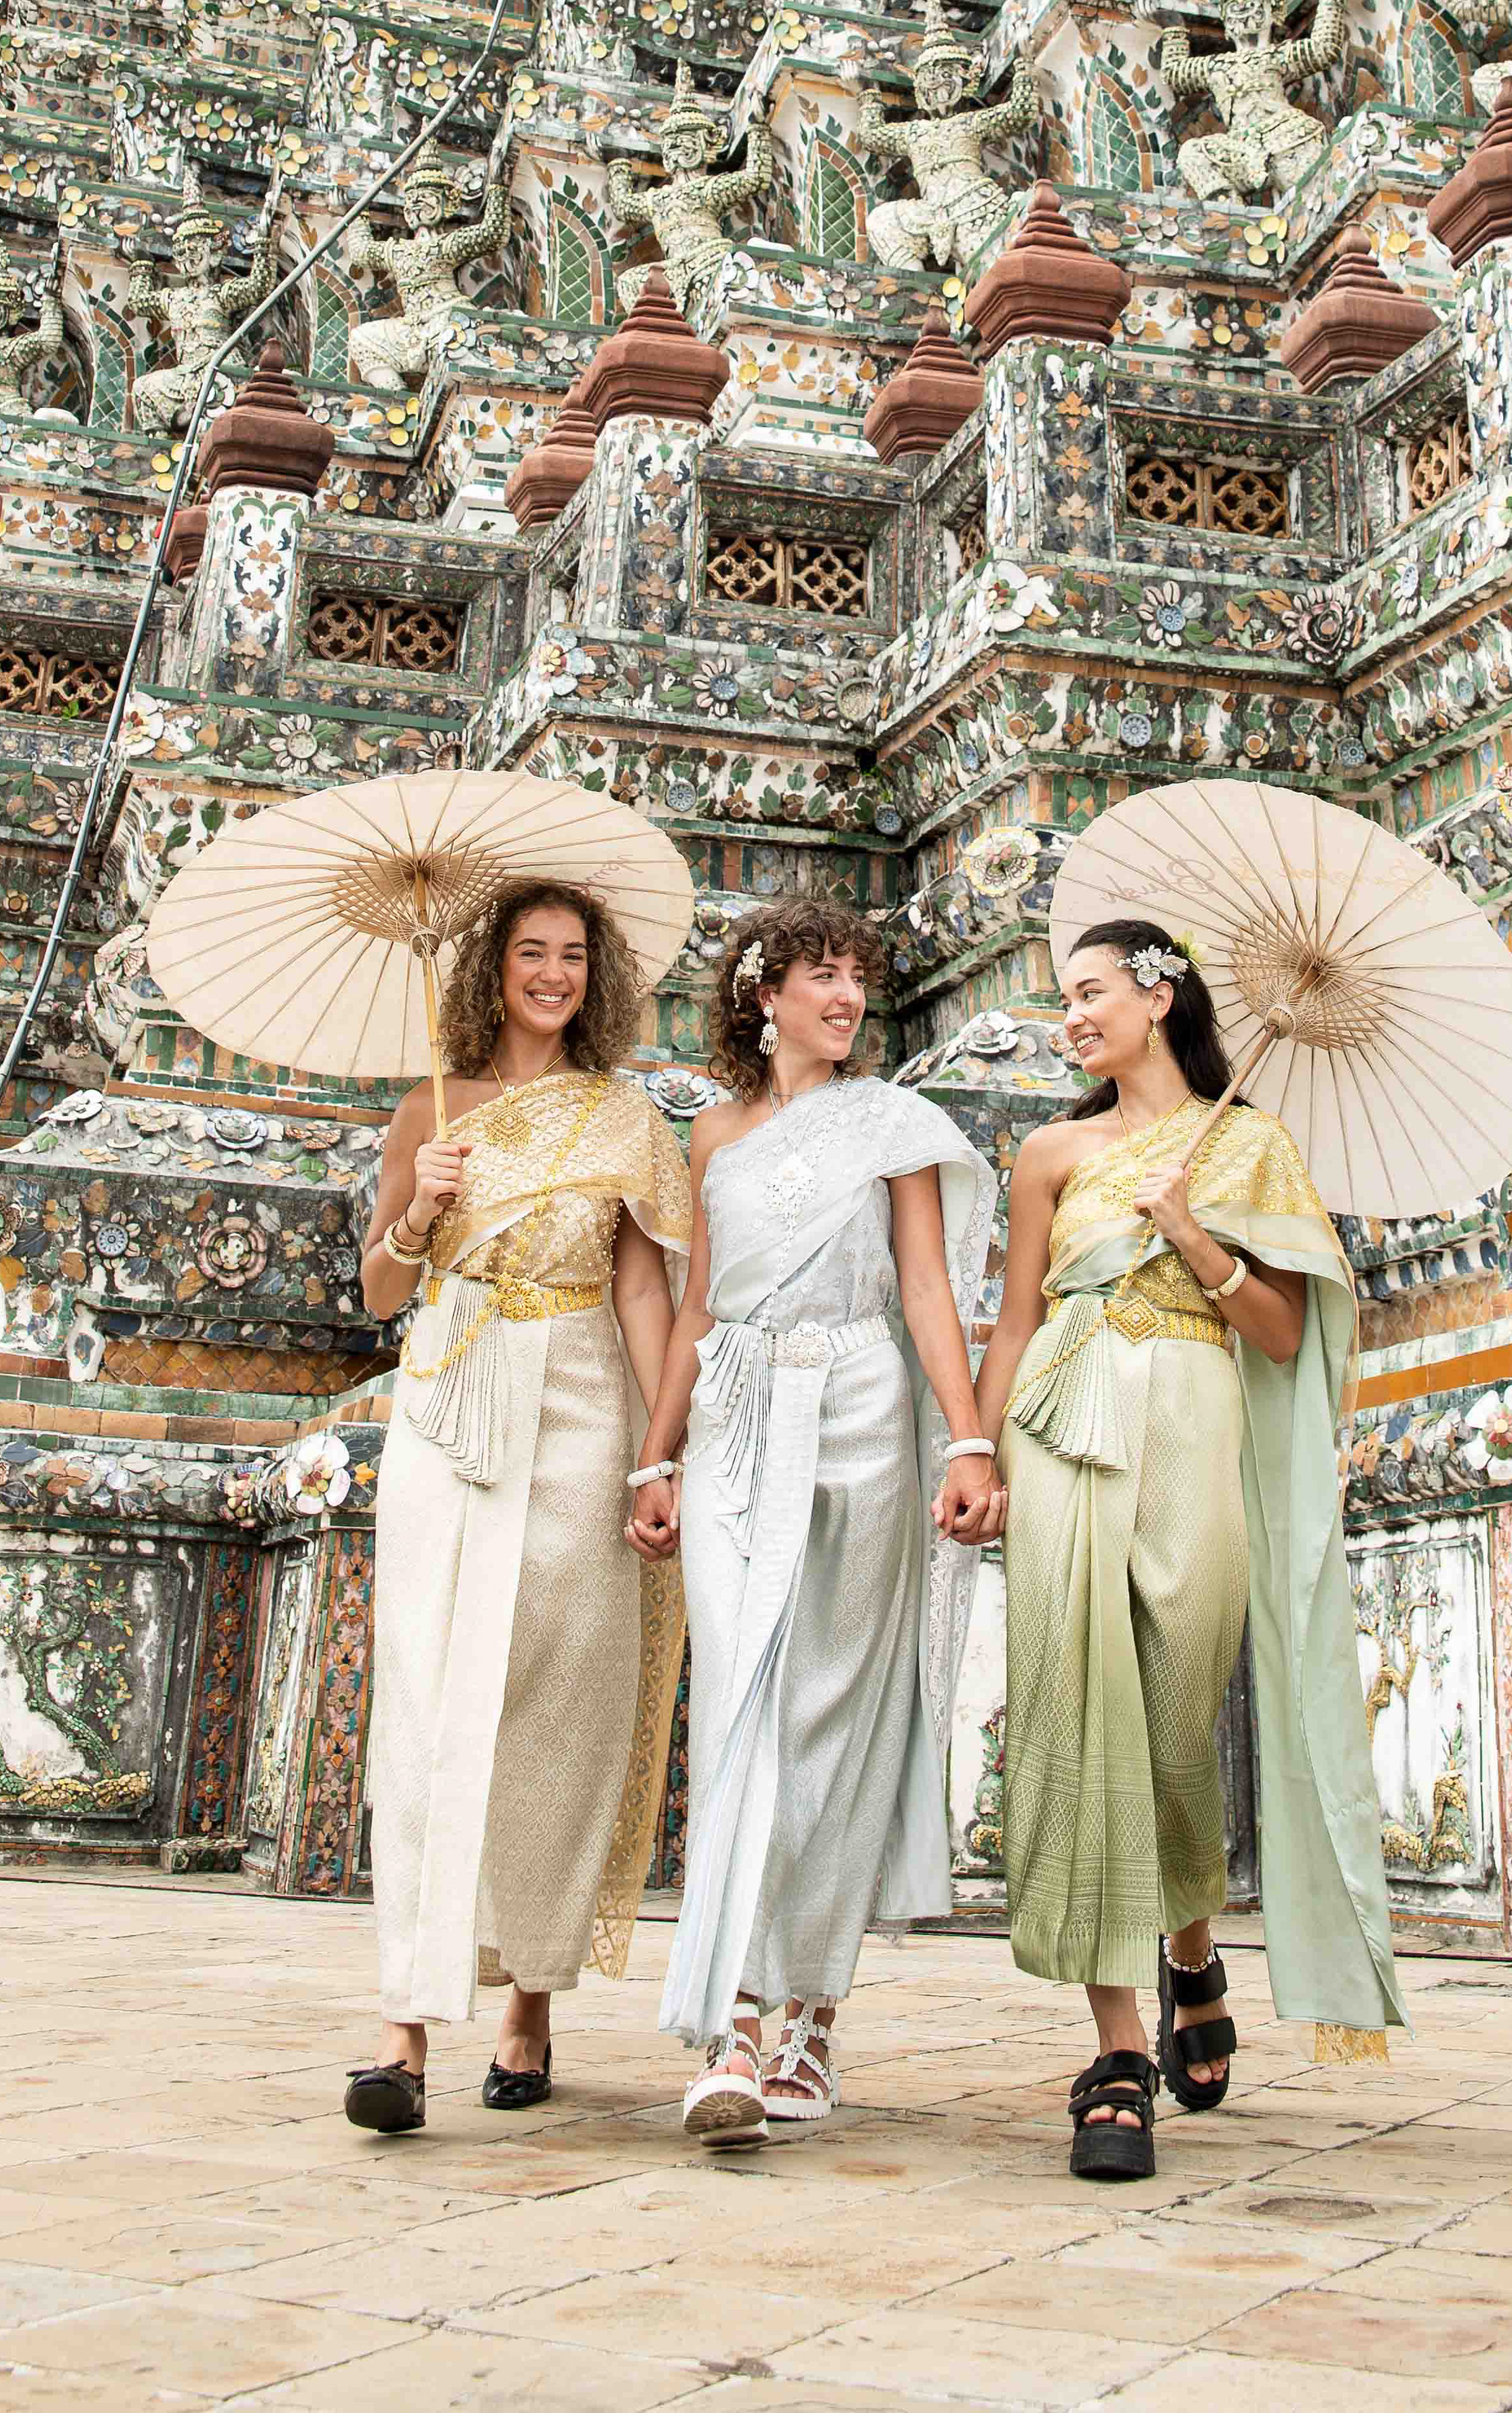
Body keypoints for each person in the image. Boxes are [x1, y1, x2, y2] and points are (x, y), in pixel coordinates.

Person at [974, 917, 1402, 2181]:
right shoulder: (1048, 1152)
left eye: (1092, 992)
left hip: (1194, 1408)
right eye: (1066, 999)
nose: (1073, 1016)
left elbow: (1282, 1335)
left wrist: (1201, 1237)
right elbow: (1012, 1320)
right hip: (1063, 1411)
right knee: (1072, 1706)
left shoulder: (1251, 1142)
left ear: (1160, 997)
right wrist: (977, 1452)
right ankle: (1115, 2056)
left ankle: (1191, 1950)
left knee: (1169, 1722)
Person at [628, 901, 1000, 2142]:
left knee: (839, 1710)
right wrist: (653, 1457)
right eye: (820, 976)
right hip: (735, 1411)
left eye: (857, 979)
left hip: (860, 1405)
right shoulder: (714, 1136)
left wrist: (966, 1434)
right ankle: (731, 2023)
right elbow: (691, 1308)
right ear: (761, 995)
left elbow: (927, 1285)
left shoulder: (893, 1124)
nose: (845, 997)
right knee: (745, 1701)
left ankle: (813, 2018)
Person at [347, 879, 690, 2132]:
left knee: (560, 1696)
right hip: (451, 1400)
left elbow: (646, 1296)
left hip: (585, 1401)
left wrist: (661, 1455)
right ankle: (403, 2025)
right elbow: (382, 1294)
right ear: (489, 967)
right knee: (435, 1699)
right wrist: (422, 1205)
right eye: (531, 953)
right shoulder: (424, 1114)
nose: (551, 974)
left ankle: (529, 1999)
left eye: (571, 958)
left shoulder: (622, 1118)